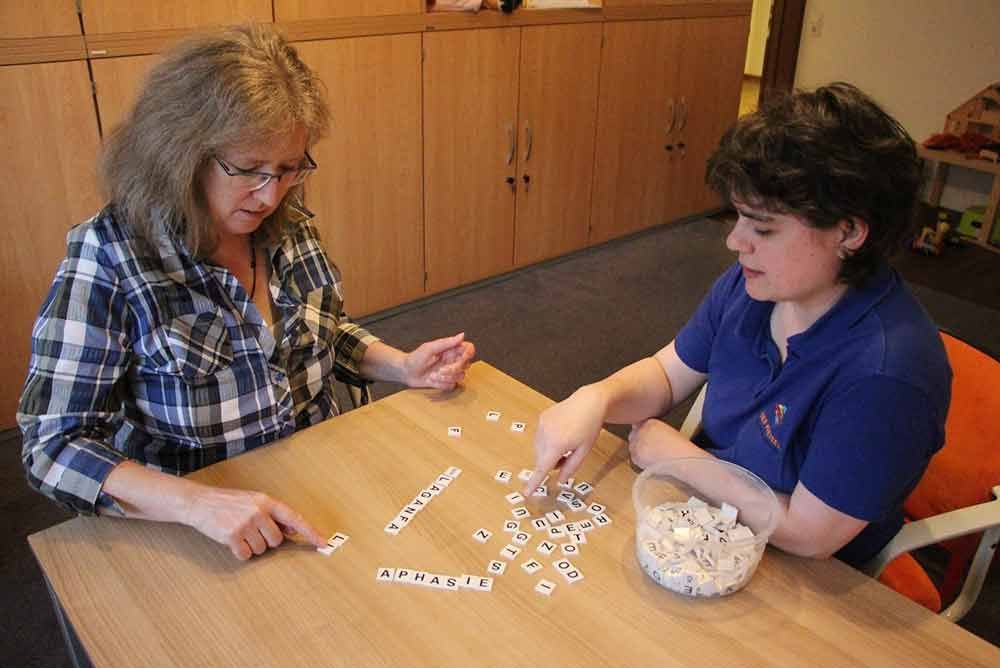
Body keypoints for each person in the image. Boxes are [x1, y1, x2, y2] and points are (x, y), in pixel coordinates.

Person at [18, 24, 474, 561]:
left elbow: (318, 333)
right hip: (202, 526)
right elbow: (53, 446)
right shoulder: (111, 255)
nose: (270, 194)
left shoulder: (288, 222)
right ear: (179, 154)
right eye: (249, 170)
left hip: (320, 489)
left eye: (288, 169)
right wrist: (198, 504)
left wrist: (400, 366)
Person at [524, 82, 952, 569]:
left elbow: (810, 536)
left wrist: (683, 461)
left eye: (763, 228)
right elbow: (667, 375)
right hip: (710, 513)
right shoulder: (757, 287)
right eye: (738, 218)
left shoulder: (886, 374)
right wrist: (595, 397)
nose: (734, 241)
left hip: (806, 571)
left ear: (849, 232)